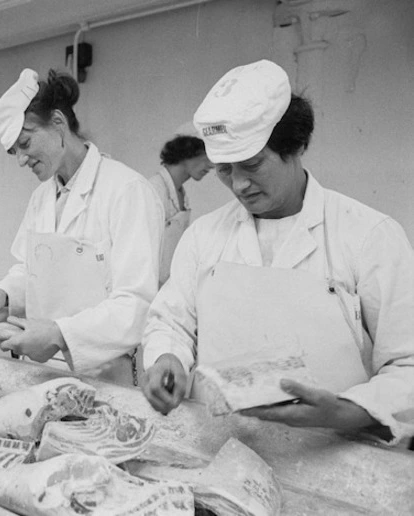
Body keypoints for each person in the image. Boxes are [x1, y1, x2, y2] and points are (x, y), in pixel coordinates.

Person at [141, 59, 414, 444]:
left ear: (297, 145)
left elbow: (408, 365)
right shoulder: (205, 236)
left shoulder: (368, 237)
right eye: (223, 169)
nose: (238, 185)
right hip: (223, 448)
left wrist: (347, 410)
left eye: (252, 165)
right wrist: (168, 357)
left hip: (333, 454)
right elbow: (172, 322)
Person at [0, 69, 162, 386]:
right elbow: (30, 268)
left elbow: (136, 304)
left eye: (25, 142)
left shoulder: (127, 191)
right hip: (47, 369)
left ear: (58, 122)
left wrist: (60, 334)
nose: (21, 159)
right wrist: (4, 293)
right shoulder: (41, 197)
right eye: (14, 150)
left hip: (107, 372)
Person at [149, 134, 214, 287]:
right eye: (207, 158)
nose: (212, 166)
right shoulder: (153, 190)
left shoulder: (180, 192)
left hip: (167, 282)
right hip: (151, 283)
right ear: (188, 154)